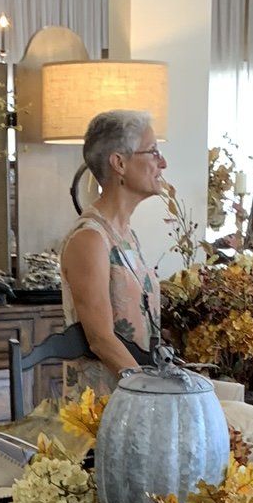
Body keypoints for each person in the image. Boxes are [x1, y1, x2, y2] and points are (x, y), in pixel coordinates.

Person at [59, 109, 164, 397]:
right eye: (153, 152)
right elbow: (101, 339)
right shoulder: (90, 239)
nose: (162, 163)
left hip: (136, 394)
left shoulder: (127, 236)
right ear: (119, 162)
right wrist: (150, 394)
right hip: (105, 406)